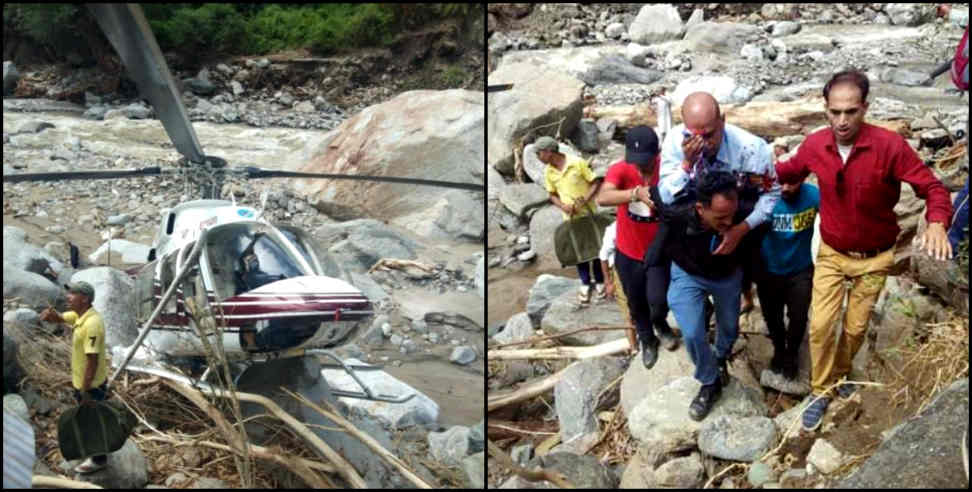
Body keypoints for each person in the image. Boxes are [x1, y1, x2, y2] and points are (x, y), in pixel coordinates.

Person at [775, 70, 953, 432]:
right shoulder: (814, 145)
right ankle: (821, 390)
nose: (842, 121)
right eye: (835, 112)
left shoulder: (889, 146)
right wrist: (782, 173)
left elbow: (932, 188)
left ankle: (840, 373)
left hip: (875, 256)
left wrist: (936, 222)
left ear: (865, 109)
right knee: (822, 326)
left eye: (851, 112)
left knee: (855, 329)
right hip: (832, 253)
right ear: (825, 109)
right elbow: (787, 170)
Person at [658, 91, 780, 316]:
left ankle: (745, 293)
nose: (703, 144)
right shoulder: (676, 141)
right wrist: (687, 164)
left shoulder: (751, 148)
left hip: (739, 214)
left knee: (754, 265)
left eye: (710, 134)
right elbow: (666, 197)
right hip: (697, 219)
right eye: (694, 136)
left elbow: (771, 195)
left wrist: (741, 230)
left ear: (723, 120)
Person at [654, 170, 746, 421]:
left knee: (729, 326)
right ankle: (709, 381)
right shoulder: (676, 216)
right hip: (687, 274)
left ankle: (721, 356)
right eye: (721, 217)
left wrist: (741, 229)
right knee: (693, 332)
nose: (729, 221)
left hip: (726, 275)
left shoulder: (742, 212)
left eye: (732, 214)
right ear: (700, 208)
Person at [596, 126, 678, 370]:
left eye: (646, 161)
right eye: (637, 162)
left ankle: (661, 324)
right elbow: (603, 197)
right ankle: (647, 340)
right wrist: (635, 193)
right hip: (627, 252)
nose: (641, 167)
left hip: (658, 250)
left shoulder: (667, 168)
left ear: (657, 153)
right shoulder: (621, 169)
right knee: (636, 302)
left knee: (659, 298)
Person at [40, 281, 110, 473]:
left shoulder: (93, 324)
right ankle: (90, 450)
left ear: (85, 299)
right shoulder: (80, 315)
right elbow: (63, 317)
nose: (67, 297)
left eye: (73, 294)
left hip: (91, 384)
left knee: (92, 421)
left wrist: (85, 390)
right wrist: (53, 317)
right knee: (87, 418)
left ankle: (99, 460)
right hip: (81, 381)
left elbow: (92, 361)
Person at [755, 176, 819, 382]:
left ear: (803, 179)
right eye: (780, 183)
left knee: (799, 316)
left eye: (792, 182)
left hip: (800, 269)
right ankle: (779, 349)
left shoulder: (813, 195)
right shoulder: (765, 197)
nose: (785, 188)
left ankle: (791, 354)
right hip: (768, 270)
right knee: (772, 317)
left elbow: (837, 213)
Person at [537, 135, 605, 304]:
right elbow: (552, 194)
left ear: (549, 151)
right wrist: (562, 206)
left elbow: (595, 182)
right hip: (570, 216)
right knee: (577, 249)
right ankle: (584, 282)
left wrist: (585, 199)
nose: (538, 157)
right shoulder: (549, 171)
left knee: (595, 246)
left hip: (588, 214)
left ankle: (600, 280)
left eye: (539, 153)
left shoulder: (576, 162)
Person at [598, 221, 638, 355]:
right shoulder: (613, 230)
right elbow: (603, 256)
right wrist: (608, 281)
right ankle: (633, 348)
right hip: (620, 270)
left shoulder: (642, 222)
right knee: (628, 311)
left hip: (639, 265)